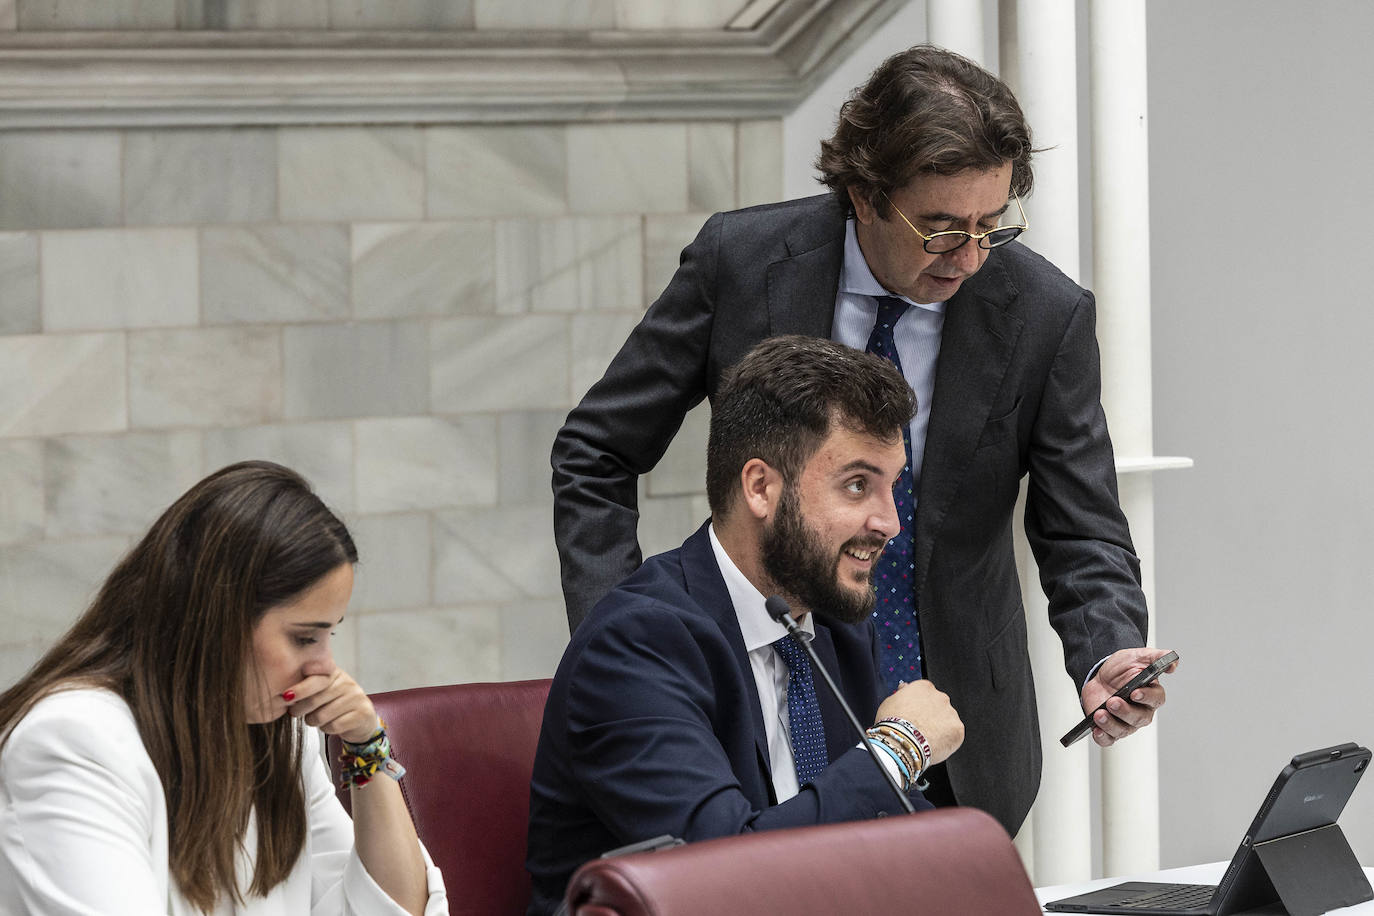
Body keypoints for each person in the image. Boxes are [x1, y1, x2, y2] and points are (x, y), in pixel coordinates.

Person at [551, 44, 1172, 837]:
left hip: (959, 740)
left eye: (993, 226)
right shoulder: (739, 264)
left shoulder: (1044, 314)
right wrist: (624, 645)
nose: (970, 259)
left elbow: (1081, 521)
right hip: (767, 721)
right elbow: (596, 453)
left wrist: (1107, 651)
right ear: (865, 195)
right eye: (942, 230)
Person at [526, 336, 967, 916]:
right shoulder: (635, 644)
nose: (888, 521)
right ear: (761, 487)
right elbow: (724, 876)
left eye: (893, 485)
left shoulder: (833, 621)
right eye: (858, 484)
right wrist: (899, 749)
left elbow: (897, 840)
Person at [0, 461, 448, 915]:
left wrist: (367, 744)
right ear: (218, 620)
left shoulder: (281, 736)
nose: (325, 668)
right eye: (303, 638)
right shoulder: (72, 740)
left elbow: (394, 909)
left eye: (328, 635)